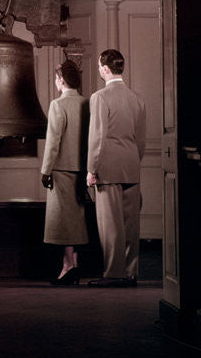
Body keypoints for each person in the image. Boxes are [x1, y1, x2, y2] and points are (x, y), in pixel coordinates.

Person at [86, 49, 147, 287]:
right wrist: (133, 160)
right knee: (131, 225)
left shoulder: (99, 97)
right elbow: (140, 141)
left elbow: (97, 137)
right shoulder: (137, 99)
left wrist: (92, 169)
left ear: (104, 69)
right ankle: (131, 272)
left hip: (108, 168)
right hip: (131, 165)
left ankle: (113, 273)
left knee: (110, 226)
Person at [40, 59, 89, 285]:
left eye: (57, 78)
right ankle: (74, 265)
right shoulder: (87, 103)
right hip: (82, 169)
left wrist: (46, 170)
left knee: (64, 221)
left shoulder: (57, 105)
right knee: (78, 219)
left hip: (60, 169)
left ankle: (68, 266)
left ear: (61, 80)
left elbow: (53, 142)